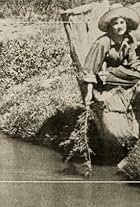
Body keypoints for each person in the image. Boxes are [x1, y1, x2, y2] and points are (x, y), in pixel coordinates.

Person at [84, 4, 140, 106]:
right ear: (110, 26)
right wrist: (89, 92)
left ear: (127, 24)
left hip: (119, 73)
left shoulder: (129, 40)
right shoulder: (102, 43)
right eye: (115, 24)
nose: (120, 26)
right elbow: (90, 69)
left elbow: (133, 62)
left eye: (122, 22)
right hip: (104, 76)